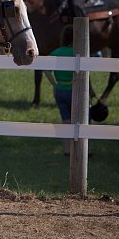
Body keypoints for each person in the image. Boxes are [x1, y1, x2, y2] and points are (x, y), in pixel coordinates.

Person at [45, 25, 75, 155]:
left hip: (60, 89)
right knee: (81, 122)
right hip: (74, 89)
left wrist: (54, 83)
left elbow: (46, 69)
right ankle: (86, 150)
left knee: (65, 121)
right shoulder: (76, 53)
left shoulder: (56, 52)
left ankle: (67, 150)